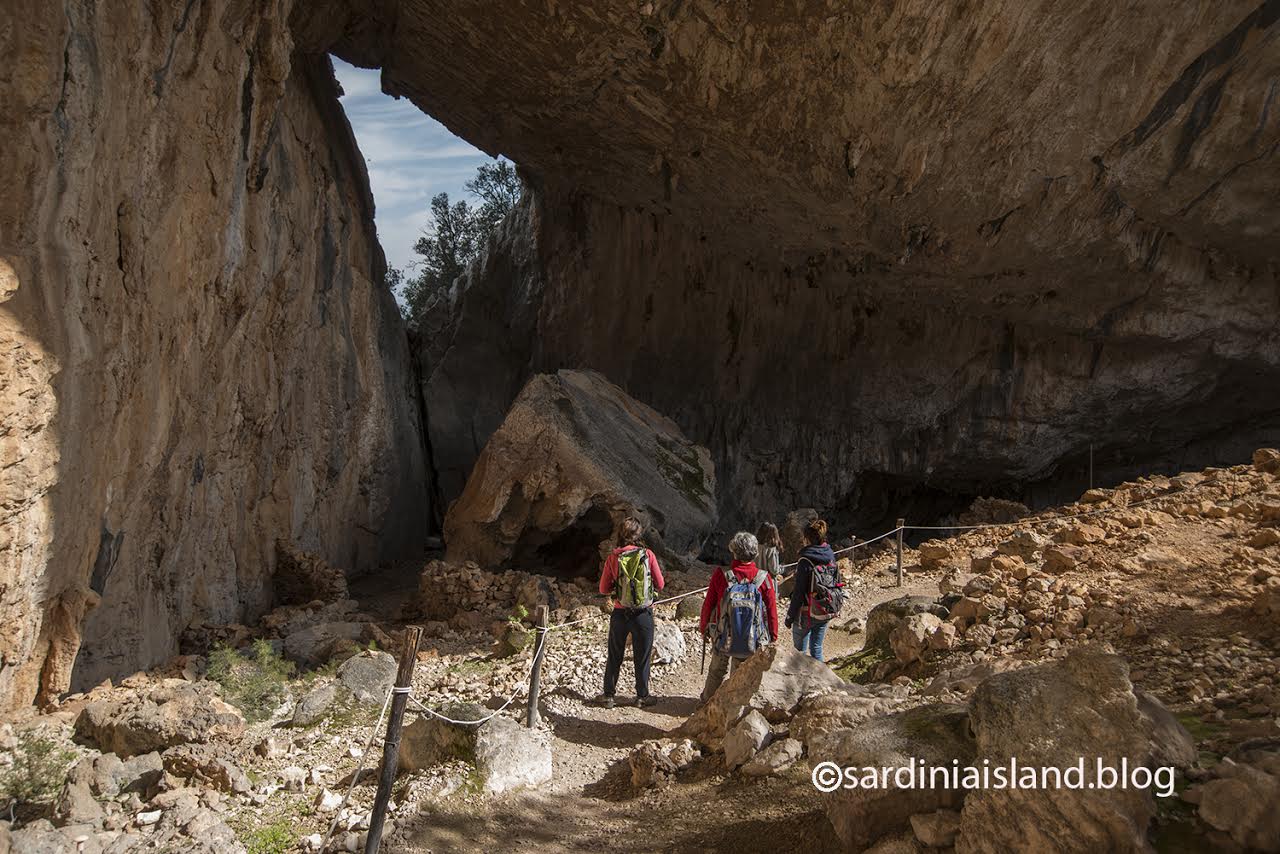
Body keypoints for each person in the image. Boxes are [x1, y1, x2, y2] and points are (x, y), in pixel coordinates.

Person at [699, 531, 778, 703]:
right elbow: (771, 609)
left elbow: (709, 603)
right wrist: (773, 635)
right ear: (755, 553)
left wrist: (703, 626)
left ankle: (706, 704)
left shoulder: (721, 574)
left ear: (733, 551)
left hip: (723, 632)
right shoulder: (764, 578)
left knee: (717, 670)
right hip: (751, 635)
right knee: (740, 670)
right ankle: (733, 705)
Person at [596, 517, 664, 708]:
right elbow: (660, 583)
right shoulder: (648, 555)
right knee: (642, 656)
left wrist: (617, 588)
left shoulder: (614, 557)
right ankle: (642, 696)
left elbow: (603, 588)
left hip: (620, 613)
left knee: (615, 654)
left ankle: (609, 695)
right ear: (639, 534)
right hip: (643, 613)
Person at [786, 518, 835, 661]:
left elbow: (799, 593)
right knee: (817, 649)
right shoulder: (830, 555)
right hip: (825, 607)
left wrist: (789, 617)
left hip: (805, 613)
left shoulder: (805, 561)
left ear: (806, 539)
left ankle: (802, 682)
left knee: (799, 654)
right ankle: (819, 680)